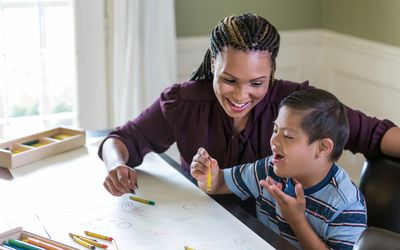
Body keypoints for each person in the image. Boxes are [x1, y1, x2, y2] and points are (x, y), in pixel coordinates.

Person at [98, 12, 400, 196]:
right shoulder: (183, 102)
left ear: (271, 72)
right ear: (214, 64)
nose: (241, 95)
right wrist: (117, 165)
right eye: (229, 80)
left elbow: (374, 133)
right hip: (202, 222)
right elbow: (123, 140)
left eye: (257, 83)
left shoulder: (298, 104)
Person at [190, 88, 367, 249]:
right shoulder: (268, 169)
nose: (274, 141)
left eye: (288, 136)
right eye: (275, 130)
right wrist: (208, 175)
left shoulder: (347, 206)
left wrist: (296, 220)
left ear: (322, 148)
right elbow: (217, 184)